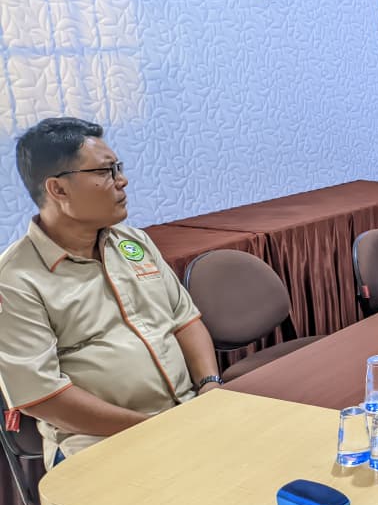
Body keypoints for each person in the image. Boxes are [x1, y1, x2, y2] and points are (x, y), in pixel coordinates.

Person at [0, 117, 222, 467]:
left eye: (118, 168)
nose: (122, 180)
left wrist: (209, 385)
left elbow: (185, 321)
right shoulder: (16, 279)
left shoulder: (134, 242)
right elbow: (41, 396)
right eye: (106, 171)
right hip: (97, 444)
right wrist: (153, 428)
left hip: (188, 414)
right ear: (58, 190)